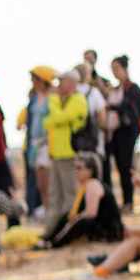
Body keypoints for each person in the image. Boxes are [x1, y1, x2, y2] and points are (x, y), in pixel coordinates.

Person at [36, 152, 123, 249]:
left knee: (79, 222)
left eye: (79, 168)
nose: (76, 171)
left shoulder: (92, 184)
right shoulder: (85, 185)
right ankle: (49, 238)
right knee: (67, 215)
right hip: (100, 226)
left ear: (90, 170)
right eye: (75, 168)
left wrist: (76, 218)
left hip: (109, 231)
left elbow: (91, 213)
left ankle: (54, 244)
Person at [41, 70, 89, 236]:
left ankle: (65, 231)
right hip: (55, 154)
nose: (58, 85)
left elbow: (59, 118)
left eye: (61, 81)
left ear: (71, 83)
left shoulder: (78, 100)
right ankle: (51, 230)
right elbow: (47, 122)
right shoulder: (63, 101)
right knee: (55, 196)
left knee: (69, 197)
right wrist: (56, 117)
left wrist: (53, 102)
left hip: (69, 155)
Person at [105, 56, 140, 212]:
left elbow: (131, 112)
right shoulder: (117, 89)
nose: (114, 72)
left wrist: (113, 107)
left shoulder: (133, 89)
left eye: (116, 68)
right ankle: (123, 202)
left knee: (126, 168)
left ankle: (128, 202)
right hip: (115, 134)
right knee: (117, 167)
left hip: (127, 135)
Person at [19, 66, 55, 218]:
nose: (33, 82)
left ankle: (50, 212)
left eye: (35, 79)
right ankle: (45, 210)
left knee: (48, 183)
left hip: (47, 144)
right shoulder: (33, 99)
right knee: (40, 184)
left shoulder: (53, 98)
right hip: (33, 144)